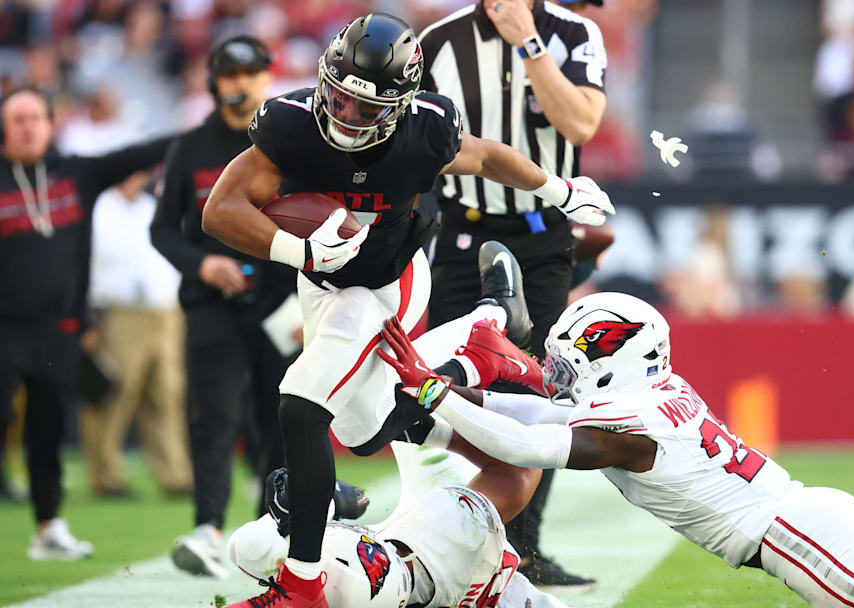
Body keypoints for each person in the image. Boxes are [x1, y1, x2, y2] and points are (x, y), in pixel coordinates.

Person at [201, 13, 614, 607]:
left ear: (398, 106)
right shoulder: (290, 124)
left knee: (302, 403)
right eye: (339, 100)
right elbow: (220, 209)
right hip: (321, 280)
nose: (346, 118)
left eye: (366, 111)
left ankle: (302, 587)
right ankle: (480, 341)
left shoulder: (423, 130)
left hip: (385, 280)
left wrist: (558, 189)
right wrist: (300, 248)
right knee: (360, 429)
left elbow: (491, 157)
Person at [378, 292, 854, 608]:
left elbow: (528, 437)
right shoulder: (655, 392)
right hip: (809, 517)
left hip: (795, 536)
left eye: (571, 363)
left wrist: (437, 393)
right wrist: (461, 383)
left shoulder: (631, 431)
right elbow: (533, 409)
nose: (561, 376)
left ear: (611, 359)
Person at [419, 0, 607, 583]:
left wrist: (528, 42)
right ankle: (449, 539)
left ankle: (522, 550)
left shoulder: (573, 31)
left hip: (543, 233)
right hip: (461, 232)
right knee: (448, 387)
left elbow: (579, 125)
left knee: (546, 387)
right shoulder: (438, 40)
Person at [0, 87, 171, 560]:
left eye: (36, 116)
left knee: (48, 432)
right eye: (18, 119)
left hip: (58, 329)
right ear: (4, 128)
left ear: (51, 123)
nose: (29, 126)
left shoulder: (77, 173)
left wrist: (212, 127)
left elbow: (141, 153)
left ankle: (49, 527)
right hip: (4, 327)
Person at [150, 34, 295, 579]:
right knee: (213, 417)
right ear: (213, 83)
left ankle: (269, 533)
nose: (237, 85)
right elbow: (163, 230)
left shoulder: (292, 143)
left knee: (277, 422)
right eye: (227, 75)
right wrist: (202, 264)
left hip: (279, 304)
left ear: (266, 77)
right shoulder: (190, 147)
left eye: (248, 74)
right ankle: (208, 528)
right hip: (212, 303)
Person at [225, 442, 569, 608]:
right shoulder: (457, 533)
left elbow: (248, 546)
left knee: (253, 547)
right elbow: (524, 465)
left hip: (431, 562)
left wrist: (317, 508)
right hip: (457, 563)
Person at [81, 169, 191, 498]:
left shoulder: (150, 206)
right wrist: (88, 320)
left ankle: (175, 474)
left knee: (167, 395)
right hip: (120, 311)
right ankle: (106, 475)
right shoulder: (99, 208)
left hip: (165, 311)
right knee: (114, 394)